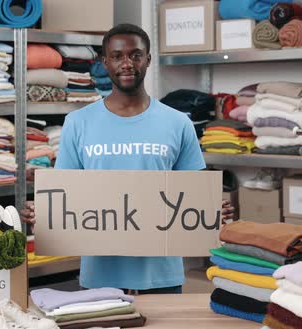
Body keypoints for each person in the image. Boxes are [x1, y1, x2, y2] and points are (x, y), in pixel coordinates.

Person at [21, 23, 234, 294]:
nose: (127, 63)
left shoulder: (178, 123)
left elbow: (193, 193)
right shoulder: (78, 123)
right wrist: (44, 211)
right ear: (105, 62)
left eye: (135, 55)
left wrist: (214, 208)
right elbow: (67, 195)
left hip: (162, 275)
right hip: (100, 275)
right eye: (118, 56)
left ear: (148, 60)